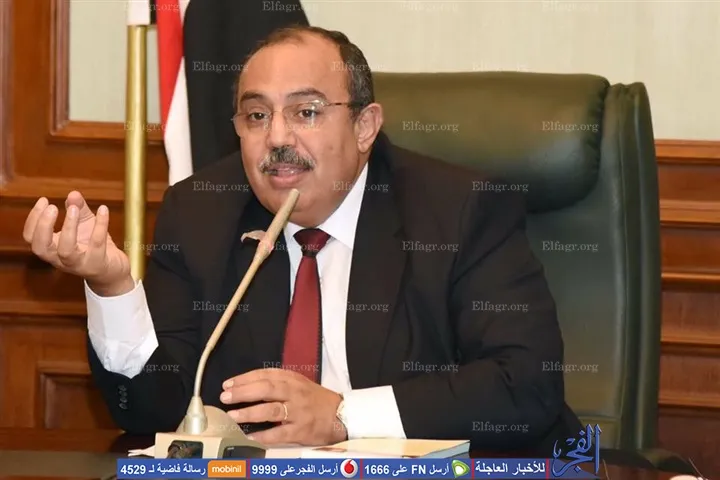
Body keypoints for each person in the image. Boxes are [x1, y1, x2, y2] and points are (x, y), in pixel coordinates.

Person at [22, 25, 582, 452]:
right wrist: (112, 287)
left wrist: (341, 415)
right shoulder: (200, 213)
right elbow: (154, 411)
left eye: (306, 112)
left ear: (364, 127)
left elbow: (523, 385)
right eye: (256, 115)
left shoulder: (458, 210)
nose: (277, 138)